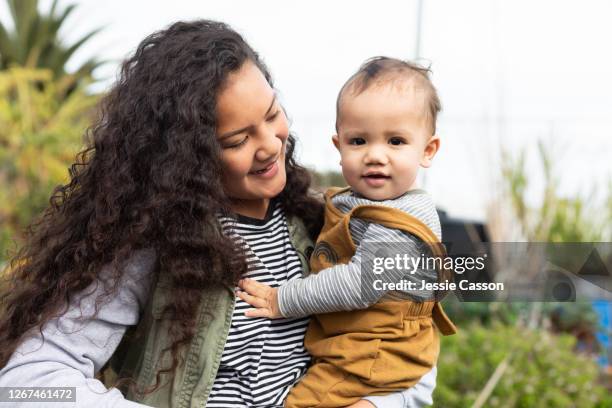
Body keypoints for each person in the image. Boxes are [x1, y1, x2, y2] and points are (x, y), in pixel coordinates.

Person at [0, 21, 437, 408]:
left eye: (272, 115)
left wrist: (381, 403)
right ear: (186, 156)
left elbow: (407, 340)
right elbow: (25, 384)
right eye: (237, 140)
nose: (270, 145)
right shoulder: (155, 241)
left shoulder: (327, 222)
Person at [237, 57, 457, 408]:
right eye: (359, 141)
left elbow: (360, 283)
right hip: (354, 350)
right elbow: (331, 206)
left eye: (396, 141)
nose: (375, 155)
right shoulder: (357, 200)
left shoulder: (402, 222)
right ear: (339, 147)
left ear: (427, 150)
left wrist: (283, 299)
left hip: (373, 356)